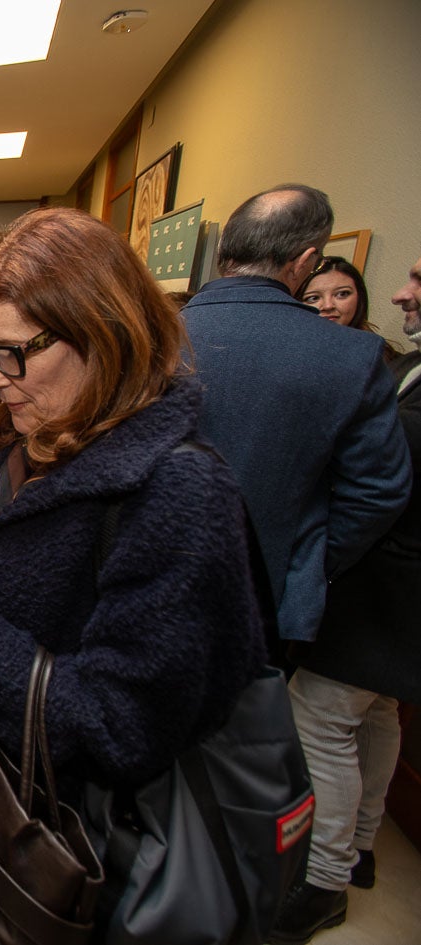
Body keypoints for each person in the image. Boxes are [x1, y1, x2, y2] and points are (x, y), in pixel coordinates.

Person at [0, 206, 266, 810]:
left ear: (101, 331)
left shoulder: (179, 491)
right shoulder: (33, 439)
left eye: (9, 353)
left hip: (58, 846)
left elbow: (118, 731)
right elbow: (16, 596)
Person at [181, 185, 409, 656]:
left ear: (224, 250)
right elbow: (378, 489)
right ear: (305, 261)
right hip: (270, 594)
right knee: (249, 725)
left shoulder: (148, 337)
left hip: (143, 580)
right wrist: (309, 559)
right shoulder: (352, 355)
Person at [269, 254, 421, 944]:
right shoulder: (393, 366)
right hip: (393, 587)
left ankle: (323, 880)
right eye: (315, 293)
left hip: (381, 580)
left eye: (417, 279)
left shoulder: (374, 367)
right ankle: (358, 847)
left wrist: (321, 558)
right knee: (377, 710)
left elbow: (378, 485)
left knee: (322, 716)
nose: (401, 290)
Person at [294, 255, 402, 361]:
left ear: (360, 296)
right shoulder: (287, 355)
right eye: (313, 298)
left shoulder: (383, 357)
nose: (328, 306)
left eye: (342, 294)